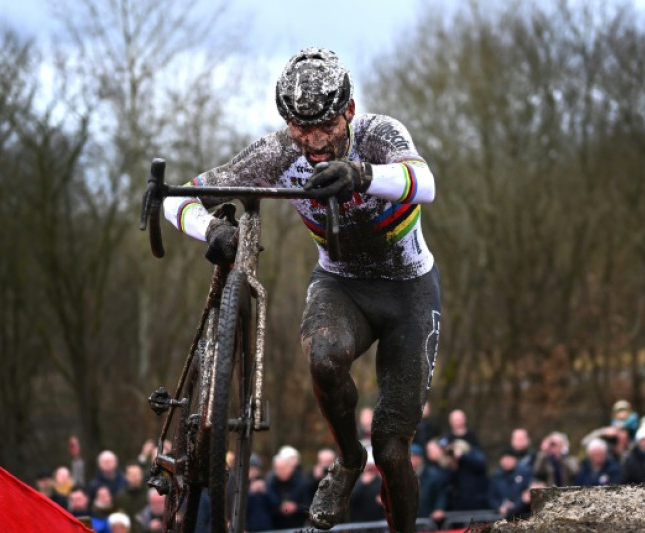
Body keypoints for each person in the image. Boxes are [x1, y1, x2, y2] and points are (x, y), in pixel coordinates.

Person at [161, 47, 441, 533]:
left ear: (349, 112)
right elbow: (180, 199)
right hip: (341, 285)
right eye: (299, 128)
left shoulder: (378, 134)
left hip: (408, 292)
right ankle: (348, 461)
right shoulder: (277, 152)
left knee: (393, 449)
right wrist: (210, 230)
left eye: (325, 128)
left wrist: (361, 174)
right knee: (323, 357)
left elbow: (426, 182)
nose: (312, 142)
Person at [267, 450, 311, 529]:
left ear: (290, 468)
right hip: (277, 527)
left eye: (283, 468)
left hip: (297, 526)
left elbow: (308, 505)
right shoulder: (270, 483)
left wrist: (296, 507)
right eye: (278, 468)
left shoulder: (301, 482)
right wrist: (280, 508)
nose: (281, 471)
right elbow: (268, 506)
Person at [487, 447, 532, 520]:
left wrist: (517, 504)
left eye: (510, 458)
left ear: (515, 460)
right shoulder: (496, 476)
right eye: (505, 458)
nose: (507, 461)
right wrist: (499, 507)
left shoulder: (525, 473)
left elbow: (527, 493)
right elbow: (491, 497)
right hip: (502, 517)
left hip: (523, 514)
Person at [417, 440, 449, 525]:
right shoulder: (430, 469)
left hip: (434, 518)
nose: (429, 453)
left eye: (430, 450)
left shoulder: (436, 471)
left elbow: (442, 491)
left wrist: (439, 508)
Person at [348, 450, 385, 523]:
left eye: (372, 467)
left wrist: (384, 501)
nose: (370, 470)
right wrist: (362, 483)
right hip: (358, 523)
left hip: (378, 523)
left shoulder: (381, 480)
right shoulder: (355, 480)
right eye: (368, 467)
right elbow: (350, 500)